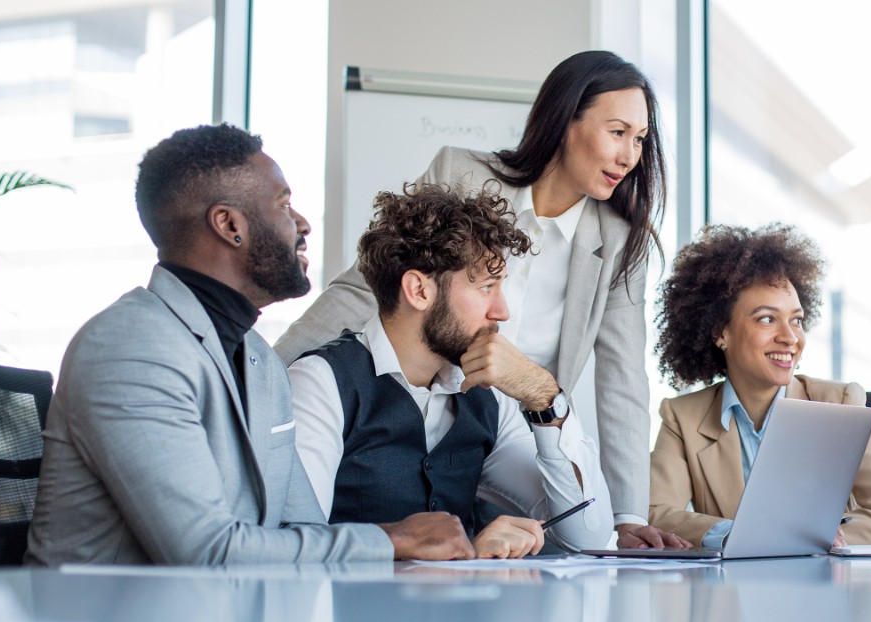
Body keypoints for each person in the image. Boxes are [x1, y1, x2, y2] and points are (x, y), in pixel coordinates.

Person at [273, 50, 682, 549]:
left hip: (512, 429)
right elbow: (367, 284)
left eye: (640, 139)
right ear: (564, 120)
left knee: (537, 546)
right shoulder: (462, 172)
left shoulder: (619, 238)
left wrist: (627, 514)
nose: (630, 155)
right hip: (426, 400)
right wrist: (269, 378)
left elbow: (622, 378)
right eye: (617, 132)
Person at [25, 123, 474, 566]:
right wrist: (392, 539)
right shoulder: (131, 349)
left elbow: (305, 532)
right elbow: (205, 551)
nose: (301, 224)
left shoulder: (259, 358)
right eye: (284, 205)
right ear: (229, 225)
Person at [288, 185, 615, 557]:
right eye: (486, 287)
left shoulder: (487, 398)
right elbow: (297, 547)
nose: (502, 311)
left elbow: (588, 535)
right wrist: (466, 552)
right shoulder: (320, 383)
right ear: (419, 290)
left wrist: (543, 395)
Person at [648, 224, 871, 549]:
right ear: (720, 332)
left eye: (796, 320)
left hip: (822, 592)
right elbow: (656, 514)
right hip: (732, 594)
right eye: (766, 319)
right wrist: (735, 532)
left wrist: (817, 538)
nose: (790, 338)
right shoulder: (683, 417)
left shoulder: (838, 403)